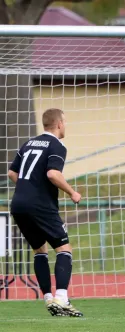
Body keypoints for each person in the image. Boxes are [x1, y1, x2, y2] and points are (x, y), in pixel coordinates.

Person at [8, 108, 83, 317]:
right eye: (65, 122)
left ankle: (49, 299)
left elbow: (12, 172)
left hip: (19, 204)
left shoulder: (29, 143)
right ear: (59, 124)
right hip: (40, 205)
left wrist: (28, 188)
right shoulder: (57, 145)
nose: (65, 126)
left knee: (40, 250)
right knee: (64, 249)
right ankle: (62, 297)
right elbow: (52, 173)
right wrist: (72, 192)